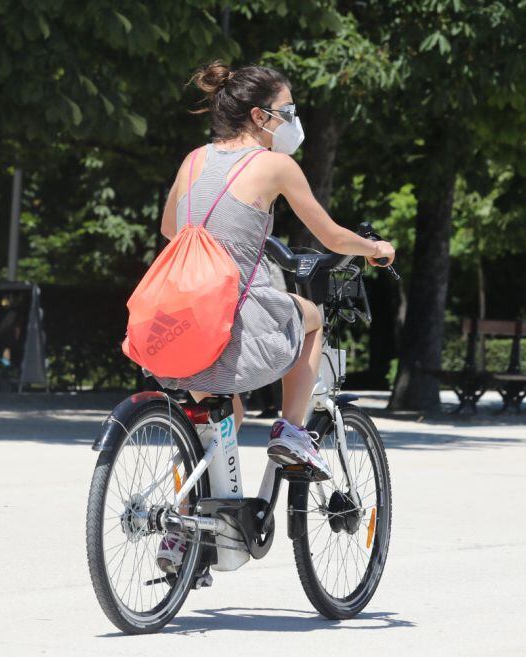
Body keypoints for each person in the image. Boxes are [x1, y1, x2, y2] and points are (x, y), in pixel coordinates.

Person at [150, 61, 396, 571]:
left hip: (177, 321)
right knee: (311, 318)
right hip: (233, 316)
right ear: (261, 118)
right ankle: (290, 433)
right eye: (287, 112)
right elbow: (329, 237)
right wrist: (373, 247)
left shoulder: (193, 160)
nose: (292, 121)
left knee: (224, 416)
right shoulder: (276, 166)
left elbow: (172, 227)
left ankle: (183, 527)